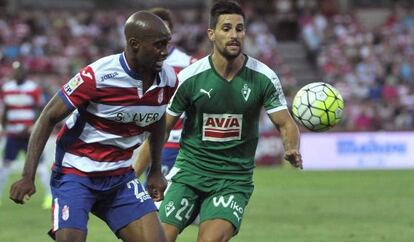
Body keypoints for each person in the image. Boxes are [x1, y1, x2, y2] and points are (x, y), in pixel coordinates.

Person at [139, 1, 303, 241]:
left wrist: (291, 147)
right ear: (211, 34)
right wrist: (134, 175)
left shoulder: (263, 77)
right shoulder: (189, 78)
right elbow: (160, 130)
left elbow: (285, 123)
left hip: (232, 180)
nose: (234, 34)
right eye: (226, 28)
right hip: (188, 174)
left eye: (239, 28)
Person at [9, 11, 177, 242]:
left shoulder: (168, 79)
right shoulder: (97, 76)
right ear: (134, 44)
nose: (165, 52)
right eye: (158, 45)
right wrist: (27, 175)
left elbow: (158, 121)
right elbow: (47, 117)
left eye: (167, 44)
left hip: (120, 177)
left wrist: (155, 170)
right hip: (76, 174)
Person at [135, 7, 196, 178]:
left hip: (172, 140)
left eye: (164, 31)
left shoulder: (188, 64)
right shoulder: (137, 64)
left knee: (155, 195)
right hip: (140, 139)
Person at [0, 61, 52, 209]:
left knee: (40, 166)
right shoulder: (6, 88)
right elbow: (5, 111)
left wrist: (31, 126)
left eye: (20, 71)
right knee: (4, 167)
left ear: (24, 72)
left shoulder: (33, 88)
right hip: (13, 134)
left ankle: (49, 197)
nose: (18, 74)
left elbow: (41, 111)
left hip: (30, 135)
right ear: (12, 72)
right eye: (15, 71)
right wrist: (4, 126)